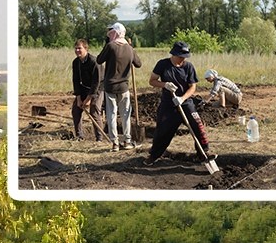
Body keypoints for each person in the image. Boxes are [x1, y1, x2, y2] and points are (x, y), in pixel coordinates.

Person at [144, 41, 214, 166]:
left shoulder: (188, 67)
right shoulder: (163, 64)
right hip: (168, 104)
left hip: (186, 103)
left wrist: (182, 98)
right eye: (181, 56)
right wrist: (164, 84)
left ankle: (204, 153)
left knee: (198, 126)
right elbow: (152, 81)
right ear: (174, 54)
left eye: (185, 56)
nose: (183, 59)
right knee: (163, 131)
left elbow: (192, 87)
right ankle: (154, 155)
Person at [96, 22, 142, 151]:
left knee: (111, 114)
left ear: (115, 33)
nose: (110, 35)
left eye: (111, 32)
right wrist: (132, 50)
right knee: (125, 114)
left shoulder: (110, 46)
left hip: (110, 86)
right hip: (123, 87)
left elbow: (99, 60)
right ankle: (127, 141)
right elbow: (138, 64)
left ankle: (115, 143)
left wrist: (106, 45)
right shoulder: (129, 48)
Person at [70, 39, 104, 142]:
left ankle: (99, 138)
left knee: (94, 111)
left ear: (86, 48)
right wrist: (79, 98)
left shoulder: (94, 62)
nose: (77, 51)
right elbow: (75, 80)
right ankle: (79, 136)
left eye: (79, 48)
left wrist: (89, 99)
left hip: (98, 89)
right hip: (84, 88)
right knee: (76, 110)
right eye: (76, 48)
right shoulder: (76, 62)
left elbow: (96, 83)